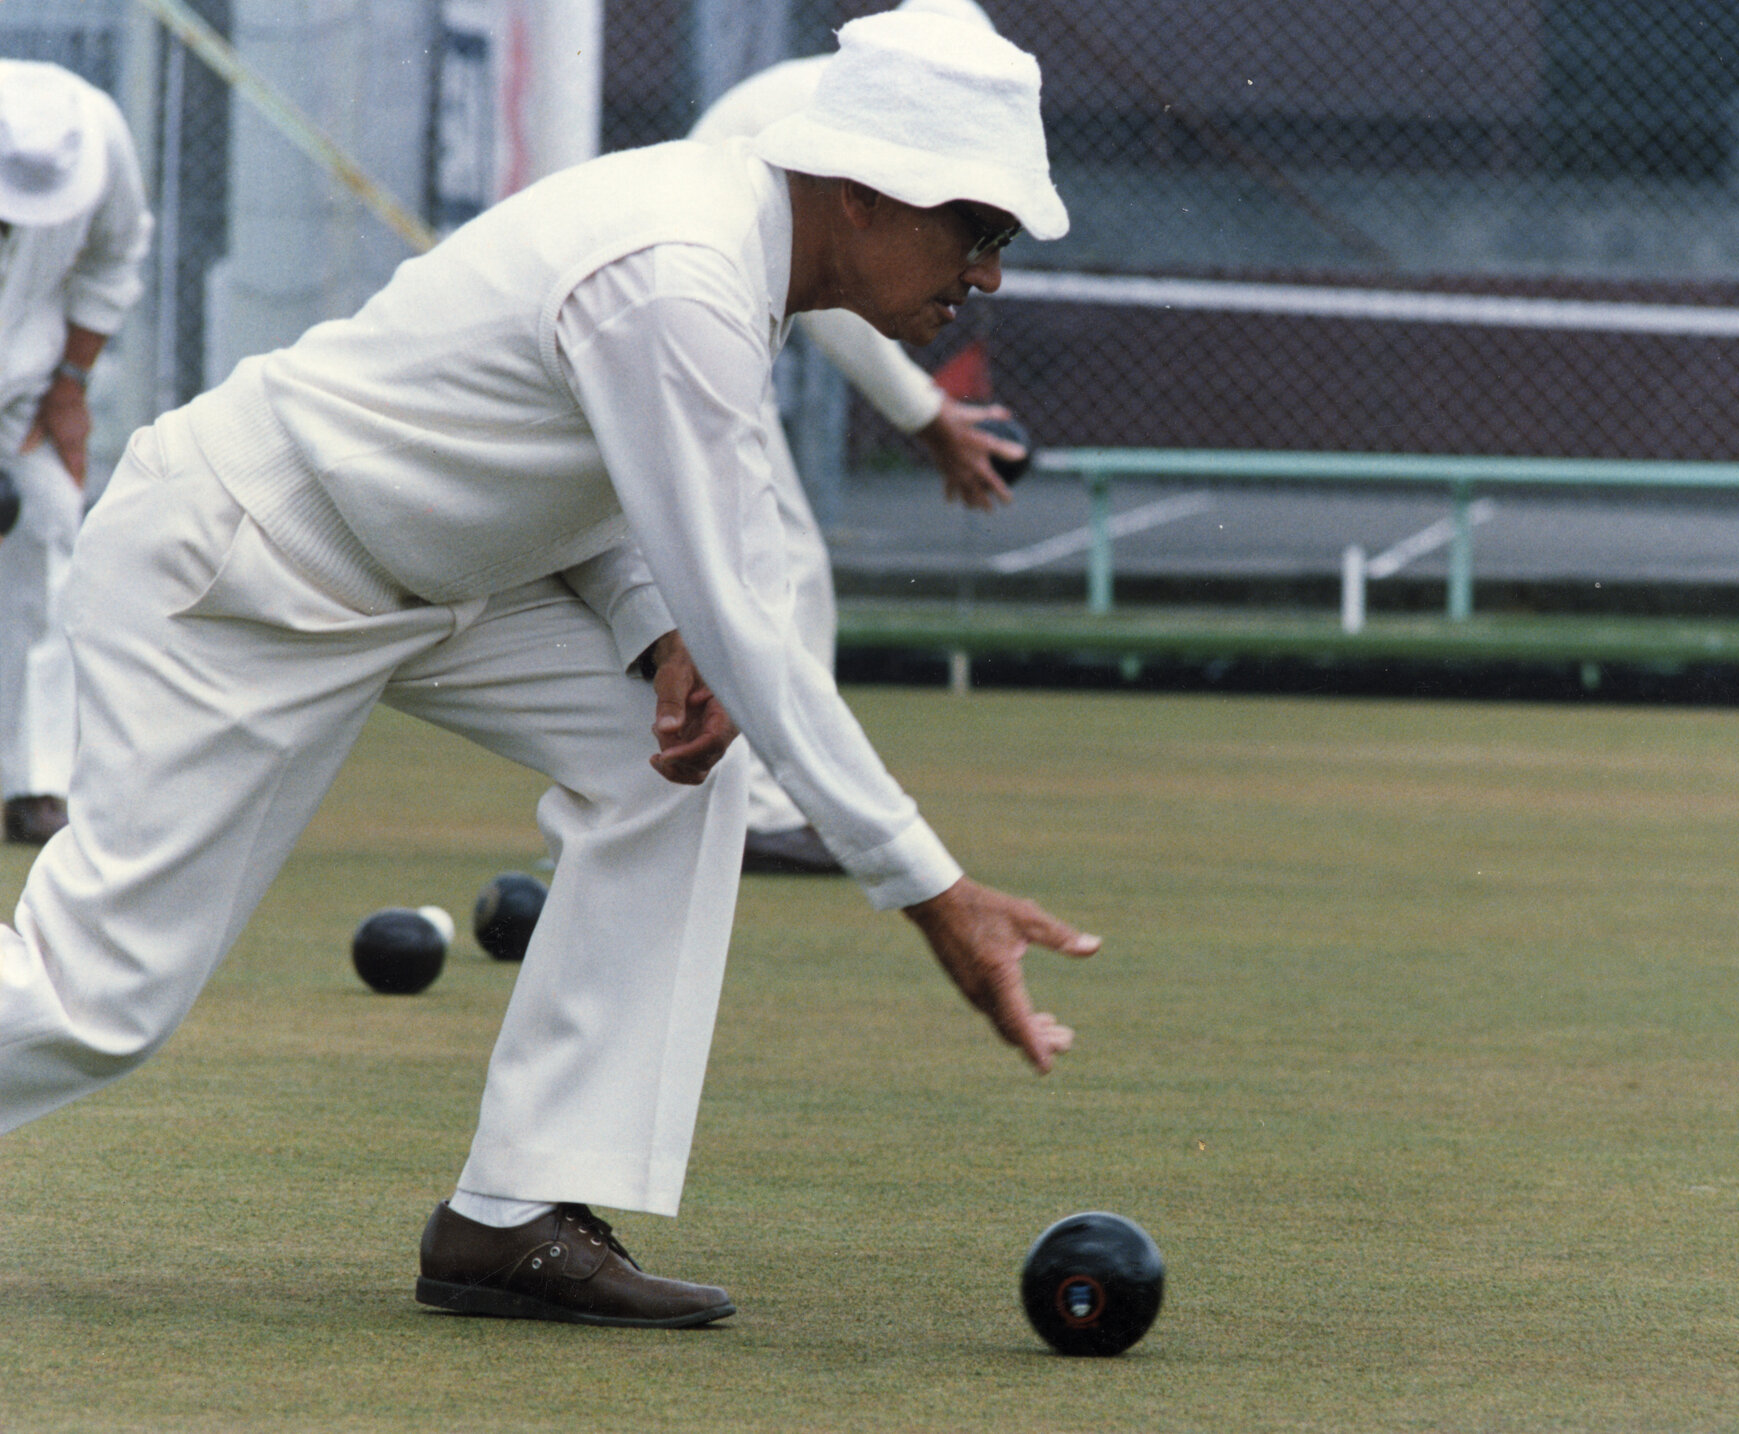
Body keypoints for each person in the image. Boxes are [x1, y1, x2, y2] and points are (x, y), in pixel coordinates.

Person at [0, 13, 1096, 1329]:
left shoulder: (734, 254)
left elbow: (578, 472)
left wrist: (659, 623)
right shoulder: (679, 273)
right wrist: (932, 887)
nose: (985, 274)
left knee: (670, 773)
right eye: (974, 229)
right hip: (245, 569)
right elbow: (749, 626)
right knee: (98, 999)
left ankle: (514, 1212)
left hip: (442, 575)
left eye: (1003, 242)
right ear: (861, 189)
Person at [690, 0, 1025, 877]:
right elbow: (845, 308)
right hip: (698, 323)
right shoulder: (856, 126)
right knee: (778, 560)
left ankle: (749, 801)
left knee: (759, 559)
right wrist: (924, 414)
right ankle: (765, 811)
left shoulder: (835, 99)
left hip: (711, 320)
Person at [0, 61, 152, 845]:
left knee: (51, 530)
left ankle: (35, 783)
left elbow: (114, 256)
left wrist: (70, 386)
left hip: (22, 394)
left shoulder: (98, 134)